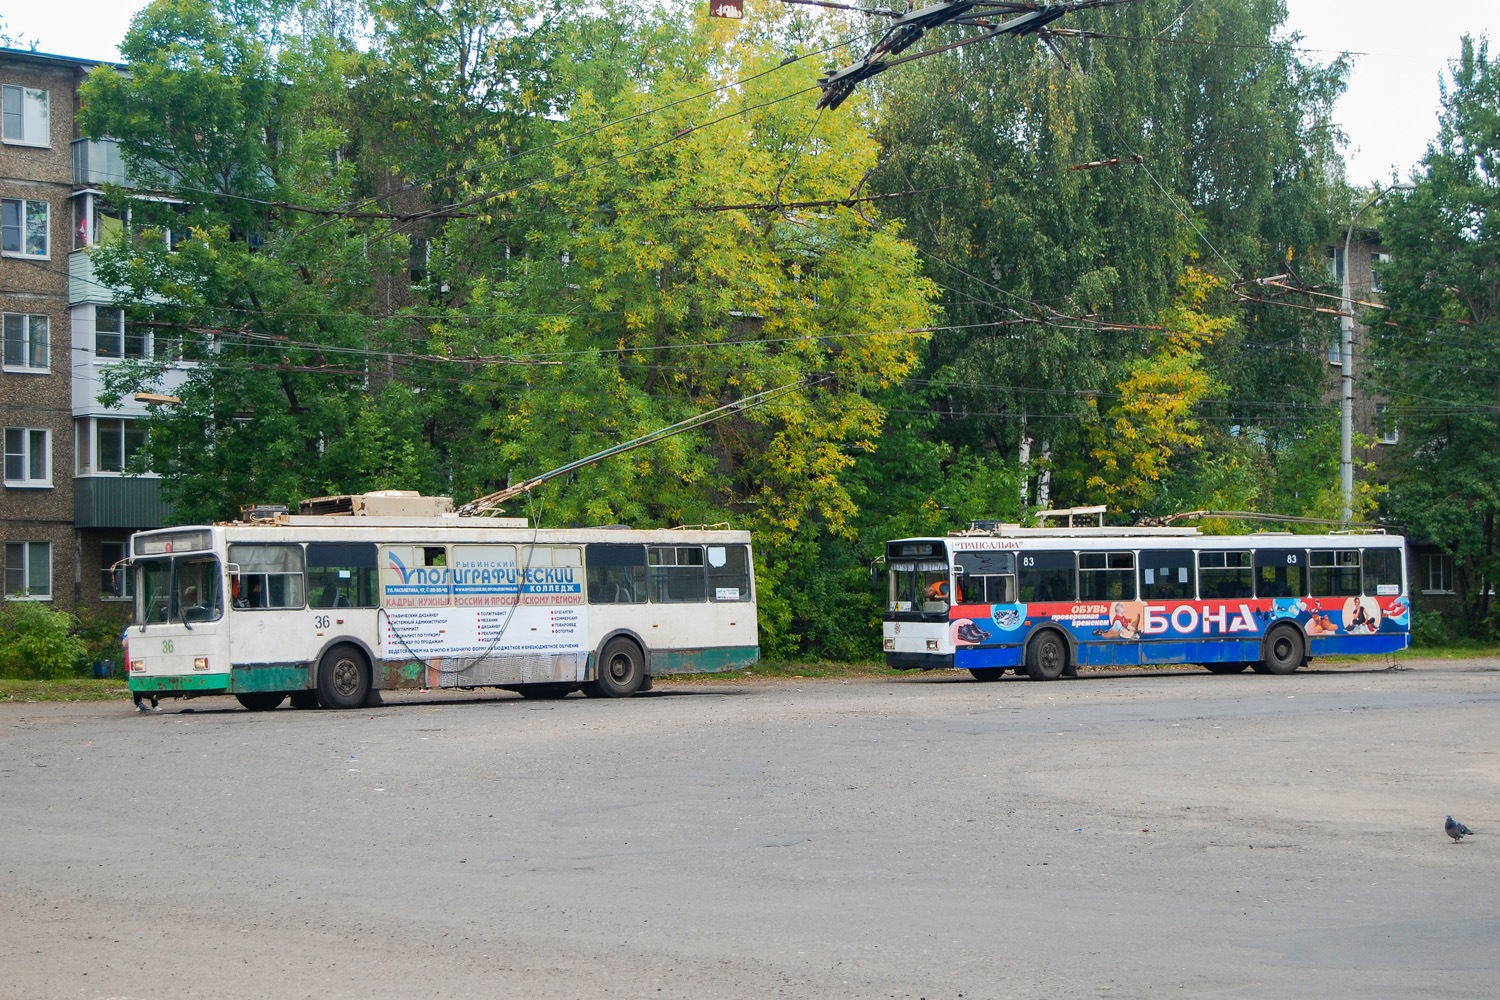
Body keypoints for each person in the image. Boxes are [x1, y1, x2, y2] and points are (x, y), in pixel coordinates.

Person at [124, 626, 158, 712]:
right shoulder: (129, 630)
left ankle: (154, 704)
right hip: (134, 659)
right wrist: (131, 634)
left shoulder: (149, 627)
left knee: (151, 680)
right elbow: (124, 644)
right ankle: (138, 703)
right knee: (136, 683)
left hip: (147, 657)